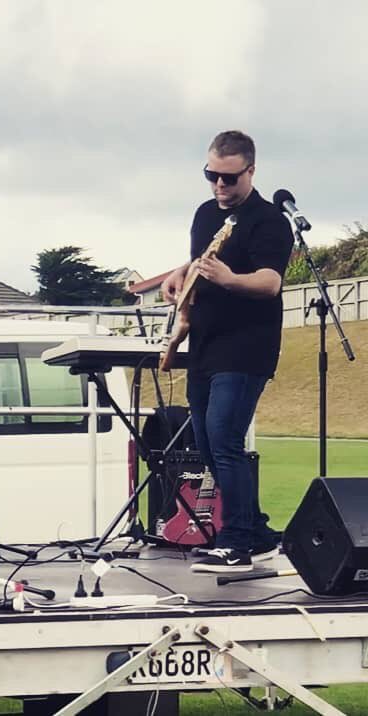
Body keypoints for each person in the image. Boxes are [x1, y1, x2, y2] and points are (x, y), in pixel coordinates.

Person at [160, 130, 293, 574]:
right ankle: (256, 531)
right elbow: (200, 260)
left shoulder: (269, 220)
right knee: (207, 443)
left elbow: (270, 282)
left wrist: (228, 278)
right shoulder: (204, 214)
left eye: (228, 178)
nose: (219, 185)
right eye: (211, 175)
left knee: (225, 439)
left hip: (246, 347)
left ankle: (236, 542)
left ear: (250, 171)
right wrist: (181, 275)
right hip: (205, 344)